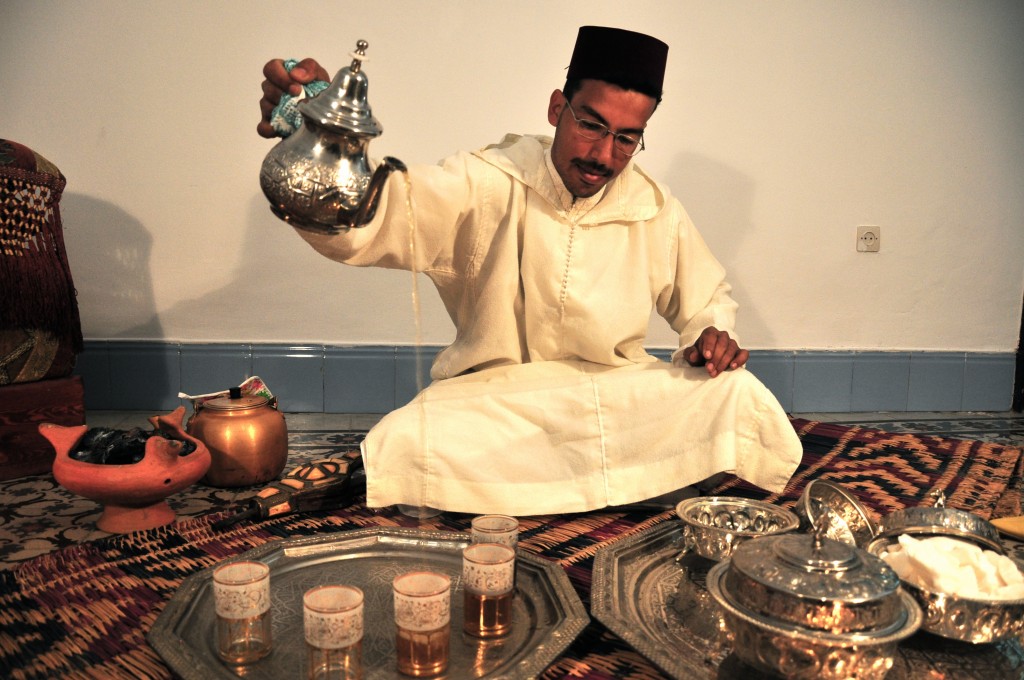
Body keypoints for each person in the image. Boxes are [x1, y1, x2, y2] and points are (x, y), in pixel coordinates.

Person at [258, 26, 802, 516]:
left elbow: (707, 296)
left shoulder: (655, 206)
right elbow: (378, 217)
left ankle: (509, 490)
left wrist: (712, 334)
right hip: (498, 405)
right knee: (411, 435)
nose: (604, 154)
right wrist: (318, 142)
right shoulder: (488, 179)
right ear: (556, 107)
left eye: (627, 138)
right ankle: (641, 483)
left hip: (617, 398)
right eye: (591, 125)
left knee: (734, 393)